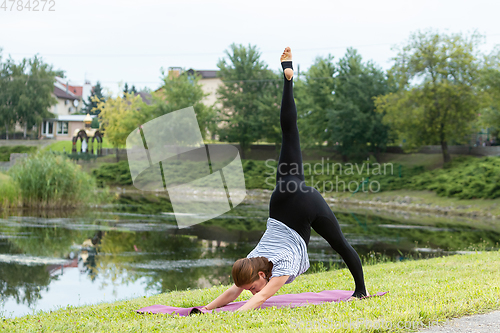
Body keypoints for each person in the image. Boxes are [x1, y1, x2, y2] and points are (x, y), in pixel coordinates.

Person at [201, 47, 369, 312]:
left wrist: (224, 318)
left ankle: (361, 291)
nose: (251, 291)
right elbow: (237, 291)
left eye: (253, 287)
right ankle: (287, 78)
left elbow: (258, 299)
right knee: (290, 133)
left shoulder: (275, 267)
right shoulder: (251, 264)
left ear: (259, 276)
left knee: (339, 244)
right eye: (250, 289)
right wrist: (205, 309)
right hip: (284, 194)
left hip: (300, 204)